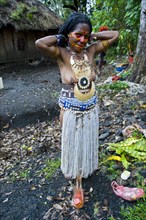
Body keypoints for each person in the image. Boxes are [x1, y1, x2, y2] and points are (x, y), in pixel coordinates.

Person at [35, 12, 119, 208]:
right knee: (73, 142)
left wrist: (95, 36)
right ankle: (77, 182)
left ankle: (86, 168)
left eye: (85, 36)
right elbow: (40, 43)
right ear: (69, 35)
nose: (82, 40)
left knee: (87, 139)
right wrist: (60, 38)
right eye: (78, 35)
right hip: (71, 109)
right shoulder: (61, 53)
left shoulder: (91, 52)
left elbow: (115, 35)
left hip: (91, 107)